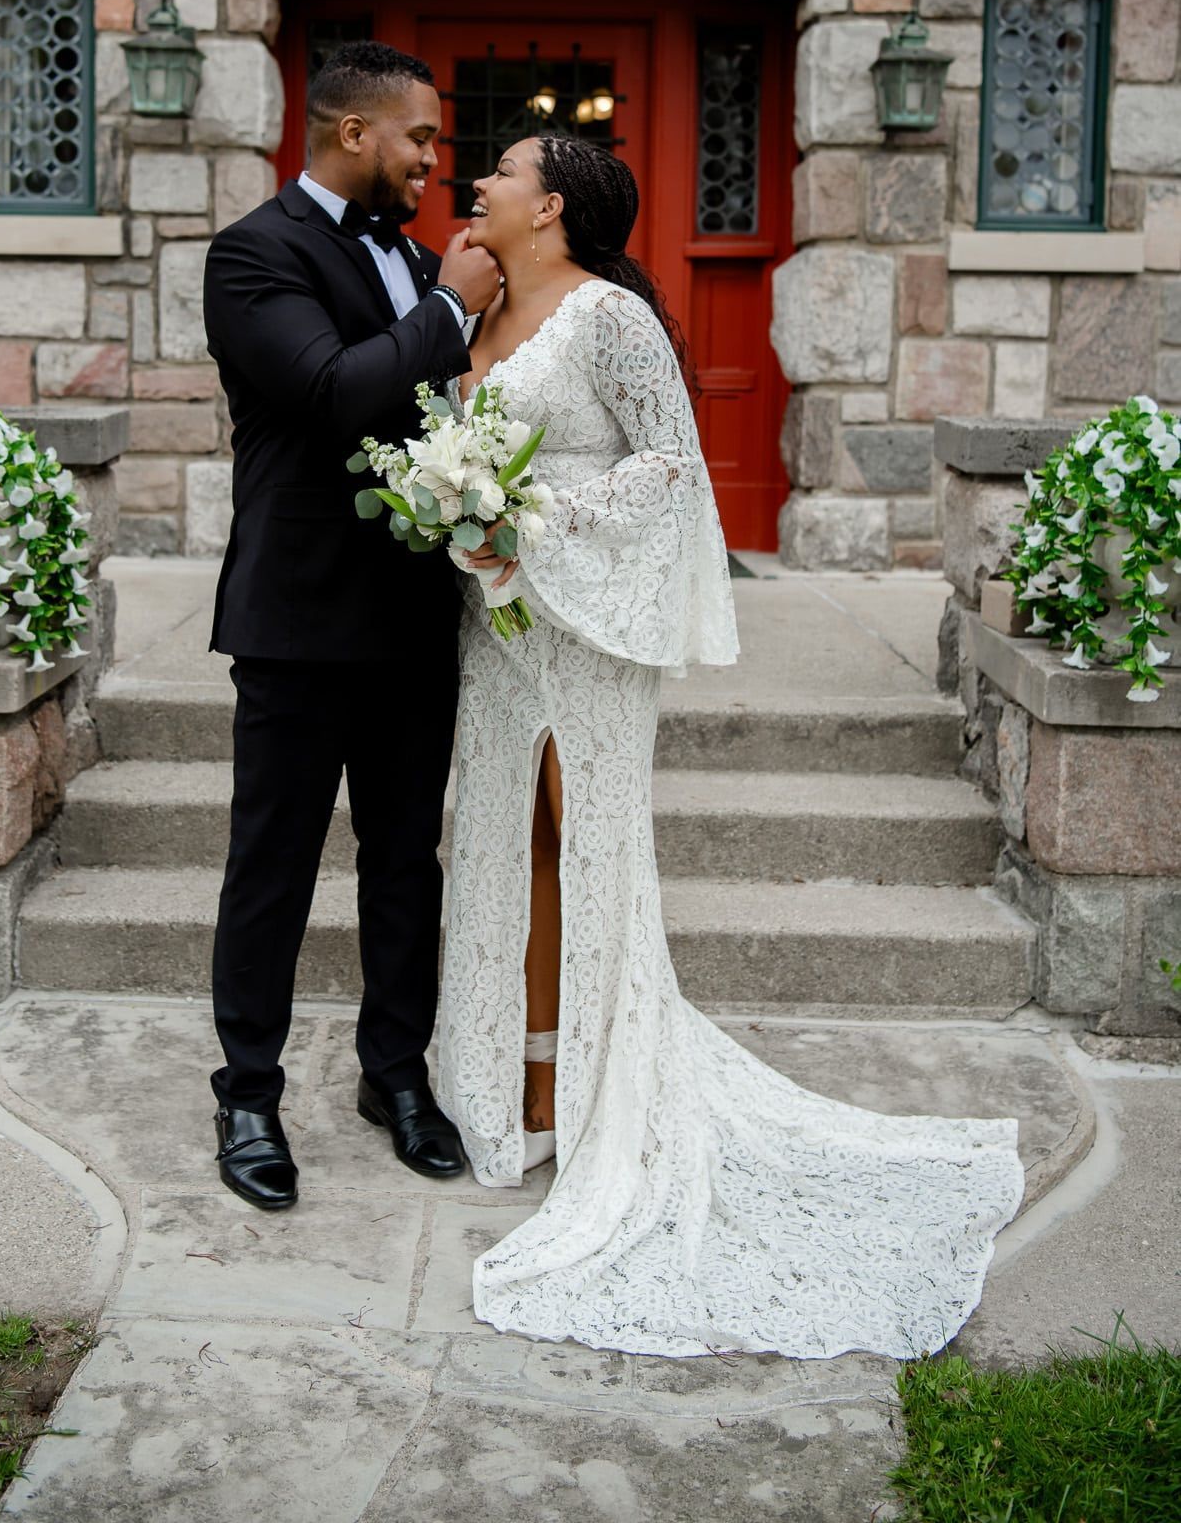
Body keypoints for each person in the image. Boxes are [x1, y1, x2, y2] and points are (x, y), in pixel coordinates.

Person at [437, 132, 1026, 1360]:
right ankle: (515, 1085)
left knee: (587, 844)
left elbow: (669, 461)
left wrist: (533, 515)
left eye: (496, 173)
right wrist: (469, 515)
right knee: (503, 842)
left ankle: (595, 1097)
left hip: (585, 623)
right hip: (495, 631)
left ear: (549, 206)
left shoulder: (609, 318)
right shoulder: (483, 310)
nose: (473, 184)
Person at [202, 41, 500, 1212]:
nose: (433, 158)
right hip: (295, 614)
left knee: (401, 861)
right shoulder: (252, 254)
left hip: (412, 621)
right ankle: (246, 1093)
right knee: (269, 866)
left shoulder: (420, 258)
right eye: (419, 137)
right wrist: (447, 308)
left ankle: (396, 1076)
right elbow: (330, 389)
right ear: (351, 133)